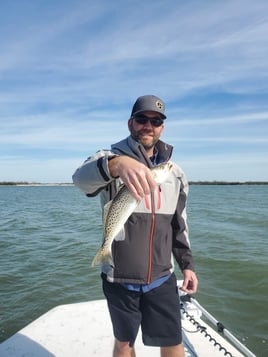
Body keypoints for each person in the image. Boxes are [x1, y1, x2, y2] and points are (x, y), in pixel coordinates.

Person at [72, 95, 198, 357]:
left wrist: (187, 265)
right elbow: (80, 180)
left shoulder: (175, 173)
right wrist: (116, 165)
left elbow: (179, 225)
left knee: (173, 341)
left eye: (156, 121)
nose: (148, 125)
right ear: (131, 123)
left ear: (162, 127)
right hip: (120, 277)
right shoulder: (108, 158)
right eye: (142, 119)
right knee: (123, 343)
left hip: (163, 276)